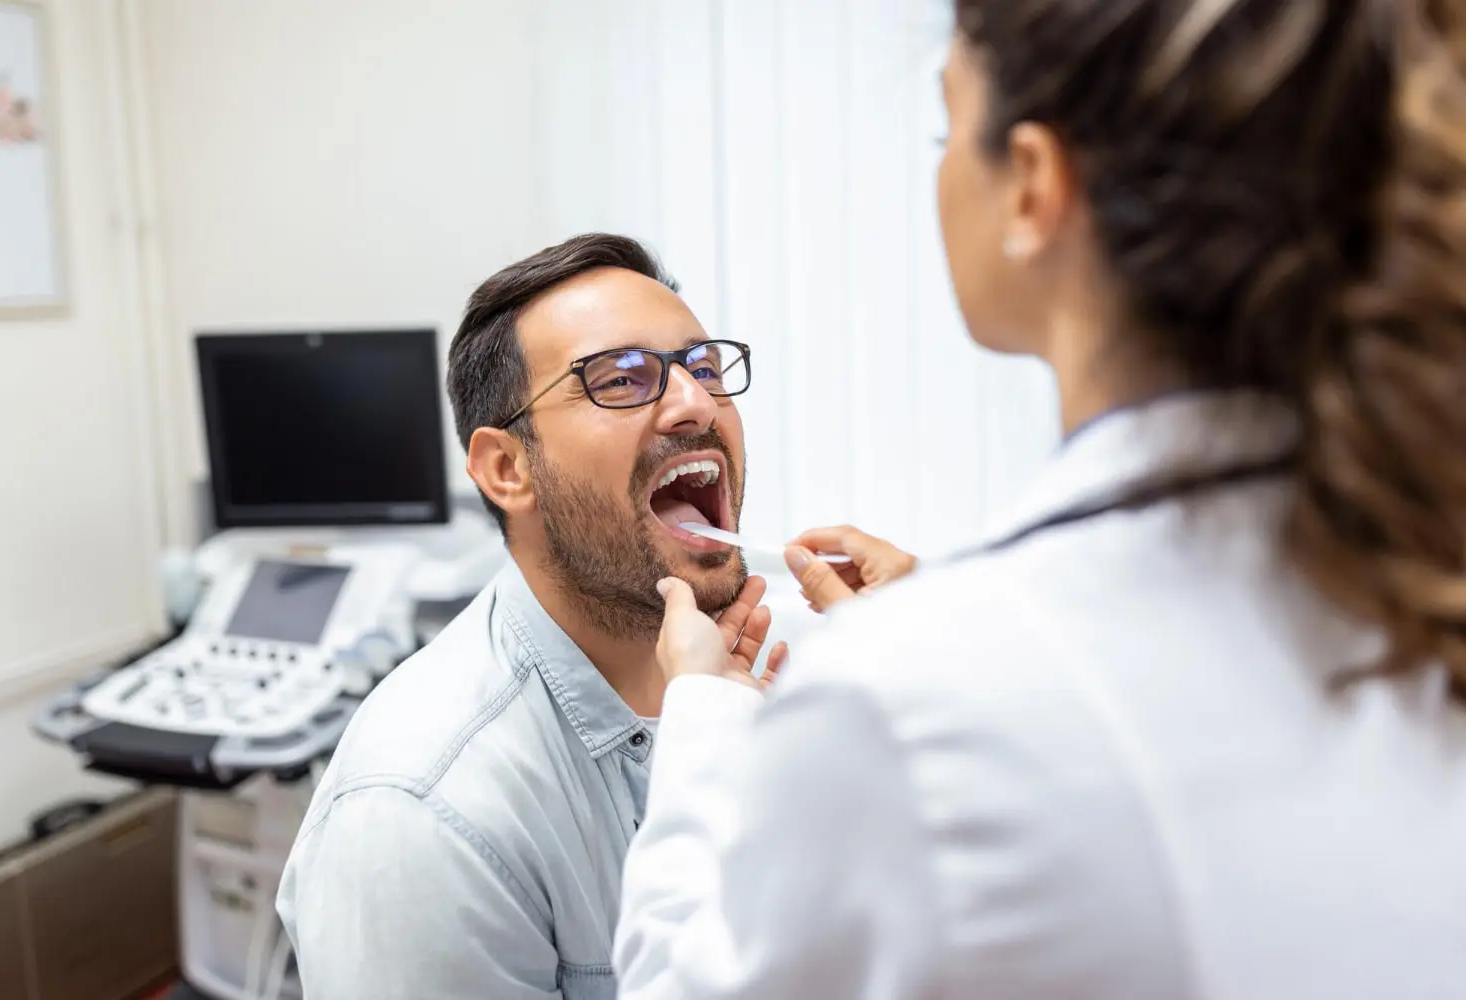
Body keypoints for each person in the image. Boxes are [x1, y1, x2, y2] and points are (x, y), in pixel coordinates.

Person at [616, 2, 1466, 998]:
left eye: (945, 133)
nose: (688, 399)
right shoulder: (1412, 569)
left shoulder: (908, 706)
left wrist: (705, 714)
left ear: (1031, 184)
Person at [277, 233, 784, 1000]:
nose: (696, 403)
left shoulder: (747, 688)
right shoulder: (422, 817)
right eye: (620, 379)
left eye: (704, 367)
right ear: (507, 469)